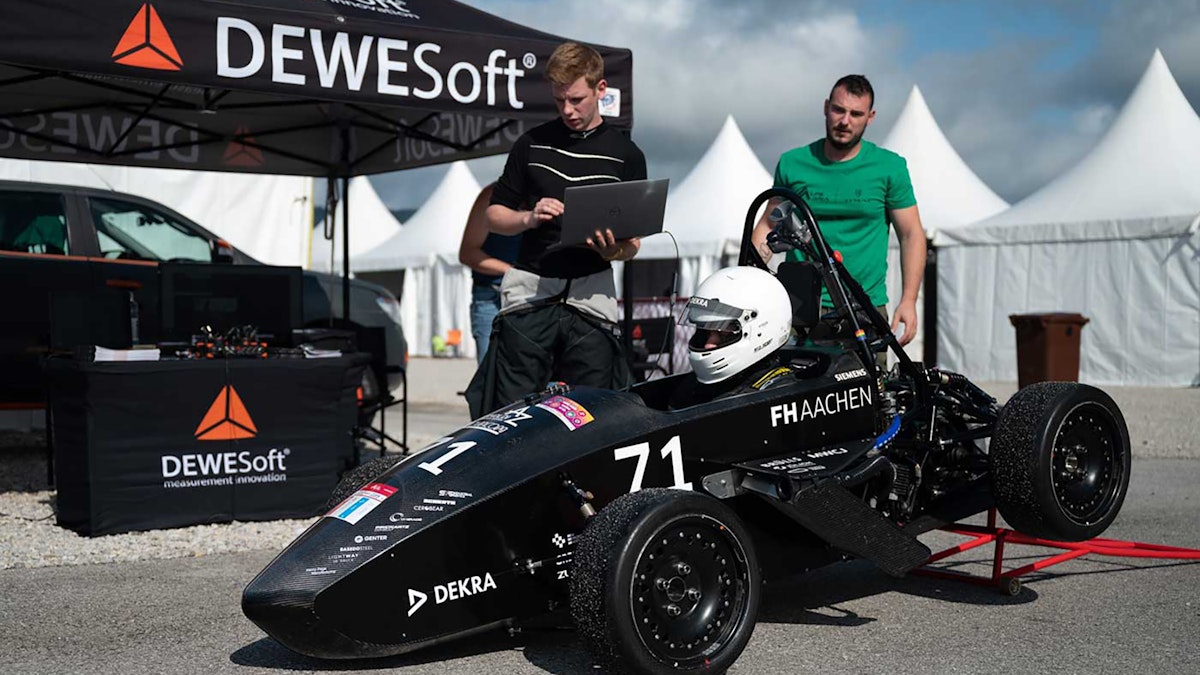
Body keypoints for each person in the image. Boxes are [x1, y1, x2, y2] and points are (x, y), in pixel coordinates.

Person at [466, 42, 647, 418]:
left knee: (593, 408)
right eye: (559, 100)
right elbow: (495, 215)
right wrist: (529, 218)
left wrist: (610, 250)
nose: (568, 110)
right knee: (510, 411)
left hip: (592, 295)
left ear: (600, 90)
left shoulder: (627, 154)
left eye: (577, 99)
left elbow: (633, 245)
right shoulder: (530, 143)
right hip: (531, 289)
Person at [751, 74, 926, 349]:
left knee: (869, 392)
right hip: (798, 309)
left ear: (870, 117)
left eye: (856, 114)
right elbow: (769, 226)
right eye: (838, 110)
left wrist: (909, 299)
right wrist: (748, 278)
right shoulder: (793, 164)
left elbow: (911, 234)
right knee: (794, 389)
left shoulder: (889, 167)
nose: (845, 121)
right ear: (826, 107)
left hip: (864, 309)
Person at [668, 266, 799, 409]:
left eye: (723, 333)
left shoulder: (779, 397)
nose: (708, 345)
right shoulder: (688, 390)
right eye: (705, 332)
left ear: (761, 328)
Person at [457, 183, 520, 364]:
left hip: (535, 297)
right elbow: (467, 253)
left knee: (538, 378)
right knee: (489, 374)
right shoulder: (492, 195)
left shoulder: (548, 194)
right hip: (492, 296)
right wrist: (513, 272)